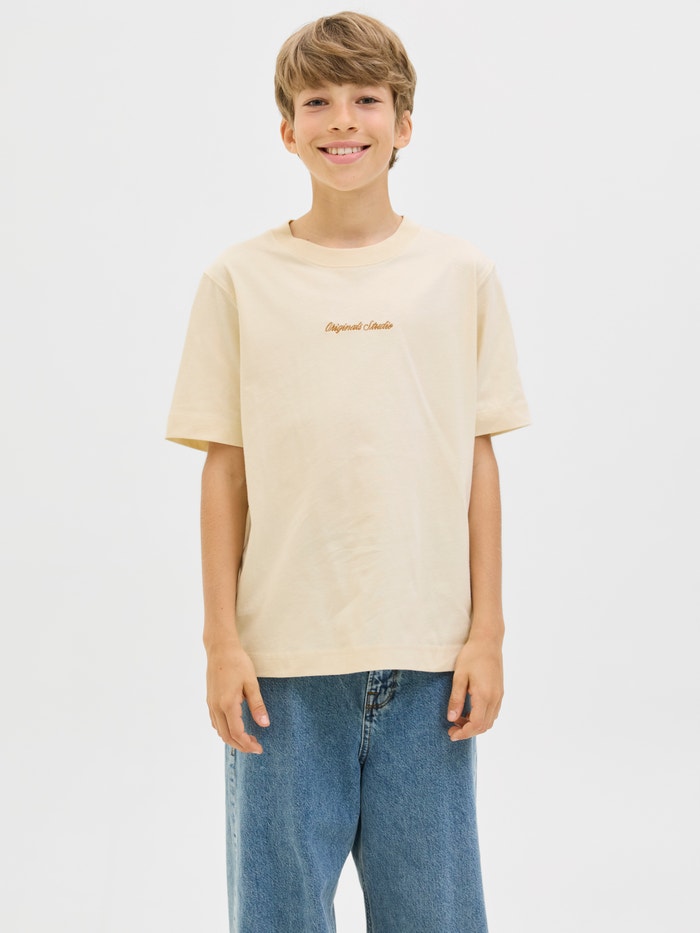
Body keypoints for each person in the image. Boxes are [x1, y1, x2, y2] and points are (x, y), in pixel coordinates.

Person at [166, 11, 530, 932]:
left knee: (435, 914)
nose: (342, 121)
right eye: (317, 101)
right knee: (279, 914)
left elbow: (477, 460)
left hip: (429, 662)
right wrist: (221, 641)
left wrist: (487, 632)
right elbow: (224, 473)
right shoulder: (238, 280)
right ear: (286, 129)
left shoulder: (460, 274)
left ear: (404, 123)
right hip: (280, 670)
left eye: (366, 99)